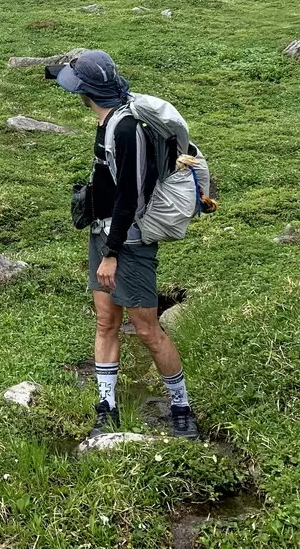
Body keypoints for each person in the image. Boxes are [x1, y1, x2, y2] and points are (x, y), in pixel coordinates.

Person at [48, 50, 200, 440]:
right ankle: (106, 409)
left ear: (88, 91)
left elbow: (130, 198)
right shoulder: (110, 116)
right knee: (105, 322)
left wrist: (112, 254)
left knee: (147, 330)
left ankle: (182, 409)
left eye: (76, 86)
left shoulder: (126, 128)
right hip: (103, 234)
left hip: (127, 242)